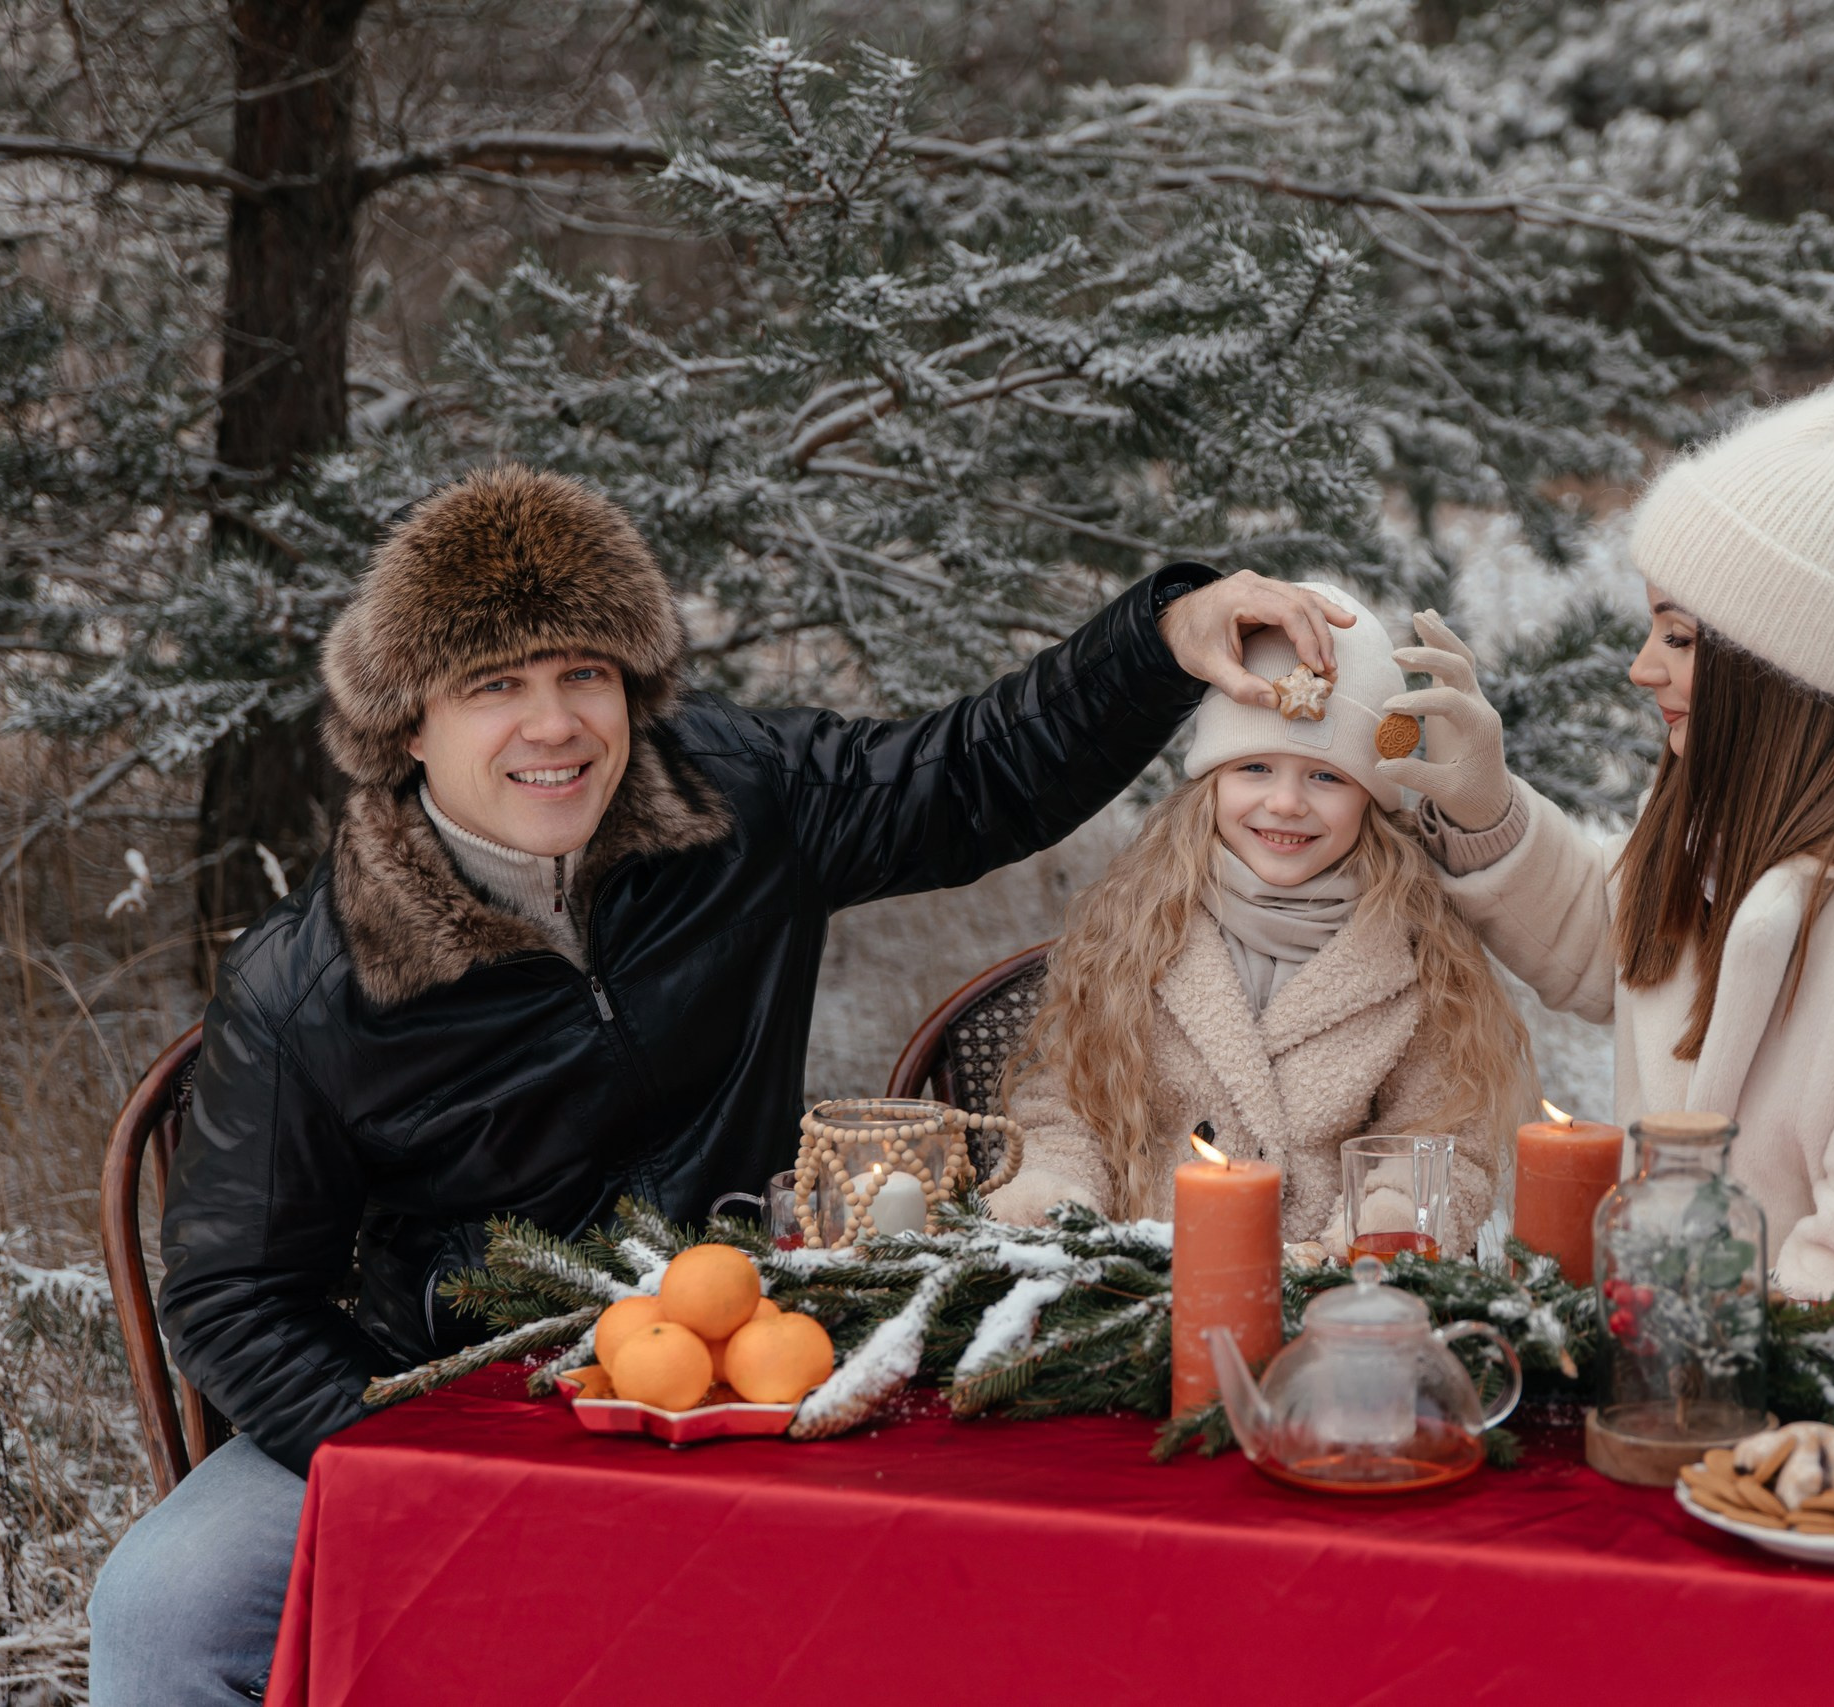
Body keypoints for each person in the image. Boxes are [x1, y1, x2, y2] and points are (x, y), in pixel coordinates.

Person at [86, 466, 1353, 1704]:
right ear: (408, 725)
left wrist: (1162, 638)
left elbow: (974, 775)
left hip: (759, 1364)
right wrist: (422, 1462)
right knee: (165, 1605)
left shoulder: (739, 798)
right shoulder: (309, 986)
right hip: (461, 1401)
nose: (553, 724)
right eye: (495, 686)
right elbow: (238, 1295)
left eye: (585, 673)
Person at [1384, 377, 1834, 1300]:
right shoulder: (1753, 834)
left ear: (1784, 670)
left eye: (1680, 637)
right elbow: (1622, 942)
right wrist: (1485, 808)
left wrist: (1667, 1358)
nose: (1641, 666)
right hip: (1699, 1368)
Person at [987, 586, 1531, 1254]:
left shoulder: (1417, 957)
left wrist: (1376, 1233)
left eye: (1326, 777)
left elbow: (1440, 1138)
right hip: (1141, 1294)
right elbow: (1065, 1110)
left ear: (1371, 794)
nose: (1284, 801)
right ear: (1212, 780)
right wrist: (1056, 1198)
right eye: (1254, 766)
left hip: (1323, 1303)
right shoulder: (1138, 929)